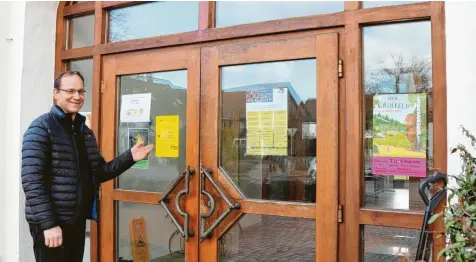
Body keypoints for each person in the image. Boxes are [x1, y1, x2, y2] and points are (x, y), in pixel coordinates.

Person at [21, 71, 153, 262]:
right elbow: (32, 181)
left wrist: (130, 157)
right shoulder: (41, 128)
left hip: (76, 220)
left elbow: (99, 173)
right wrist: (48, 224)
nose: (77, 96)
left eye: (81, 91)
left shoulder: (85, 132)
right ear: (56, 93)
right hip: (52, 224)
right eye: (70, 91)